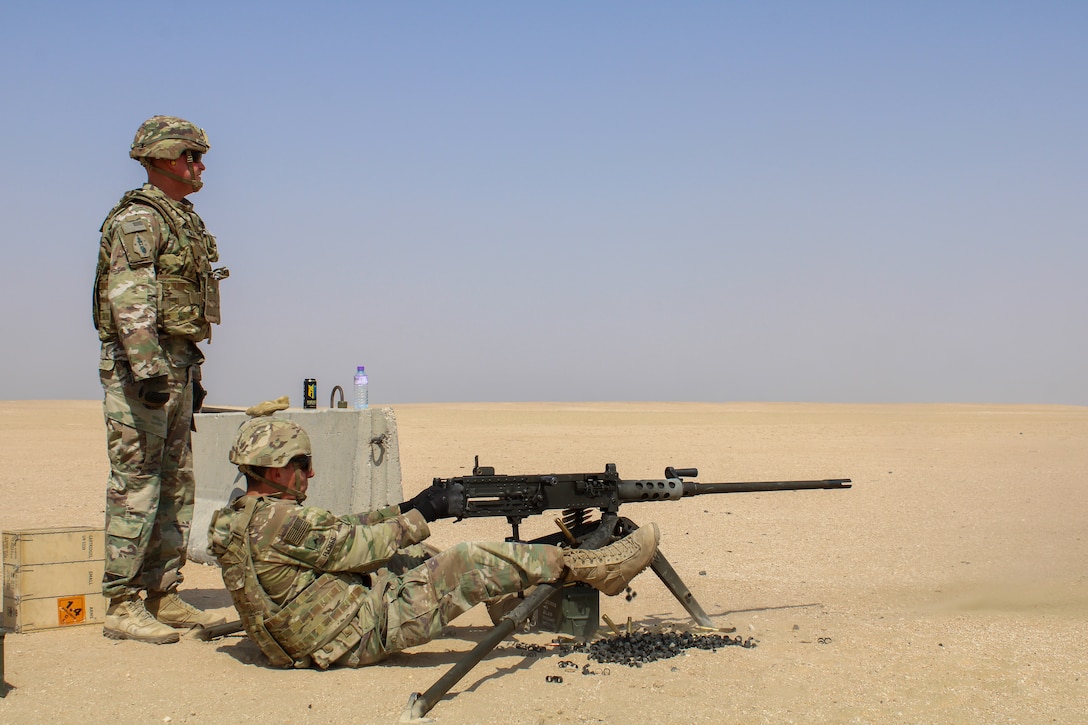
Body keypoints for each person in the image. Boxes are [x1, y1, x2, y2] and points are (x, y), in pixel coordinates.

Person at [207, 415, 660, 669]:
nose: (310, 474)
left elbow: (341, 531)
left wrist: (408, 506)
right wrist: (429, 513)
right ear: (272, 470)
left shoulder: (240, 520)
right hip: (353, 634)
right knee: (467, 562)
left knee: (416, 557)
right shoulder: (286, 525)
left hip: (304, 635)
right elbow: (358, 548)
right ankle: (594, 568)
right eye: (301, 465)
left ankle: (508, 595)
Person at [94, 115, 230, 644]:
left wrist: (185, 371)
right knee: (137, 484)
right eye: (190, 157)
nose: (199, 167)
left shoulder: (182, 218)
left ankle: (162, 592)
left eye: (201, 158)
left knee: (176, 482)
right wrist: (148, 369)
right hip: (142, 372)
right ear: (160, 158)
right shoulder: (138, 219)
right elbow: (129, 297)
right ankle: (122, 602)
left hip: (177, 362)